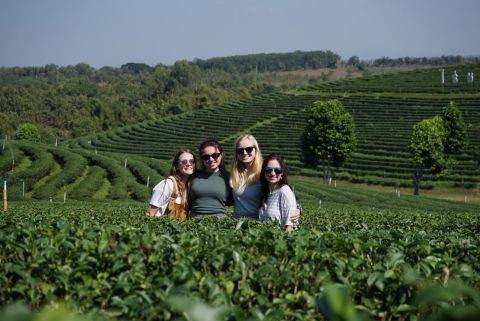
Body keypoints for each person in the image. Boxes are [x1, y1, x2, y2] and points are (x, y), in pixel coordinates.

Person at [230, 134, 300, 222]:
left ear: (256, 150)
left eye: (249, 149)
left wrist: (297, 208)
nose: (244, 153)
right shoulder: (235, 173)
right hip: (237, 222)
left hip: (256, 223)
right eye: (240, 150)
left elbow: (283, 191)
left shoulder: (266, 171)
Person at [145, 149, 196, 220]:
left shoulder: (189, 186)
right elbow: (150, 213)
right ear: (177, 166)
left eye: (192, 161)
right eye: (184, 162)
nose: (188, 164)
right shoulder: (168, 184)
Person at [189, 139, 232, 218]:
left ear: (221, 155)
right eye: (206, 157)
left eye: (215, 155)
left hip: (219, 223)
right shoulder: (194, 175)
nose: (211, 159)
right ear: (202, 159)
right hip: (194, 222)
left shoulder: (228, 177)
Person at [258, 153, 296, 232]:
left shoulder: (285, 191)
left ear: (282, 173)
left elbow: (289, 228)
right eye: (268, 170)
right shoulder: (266, 193)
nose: (272, 173)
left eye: (277, 170)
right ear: (264, 172)